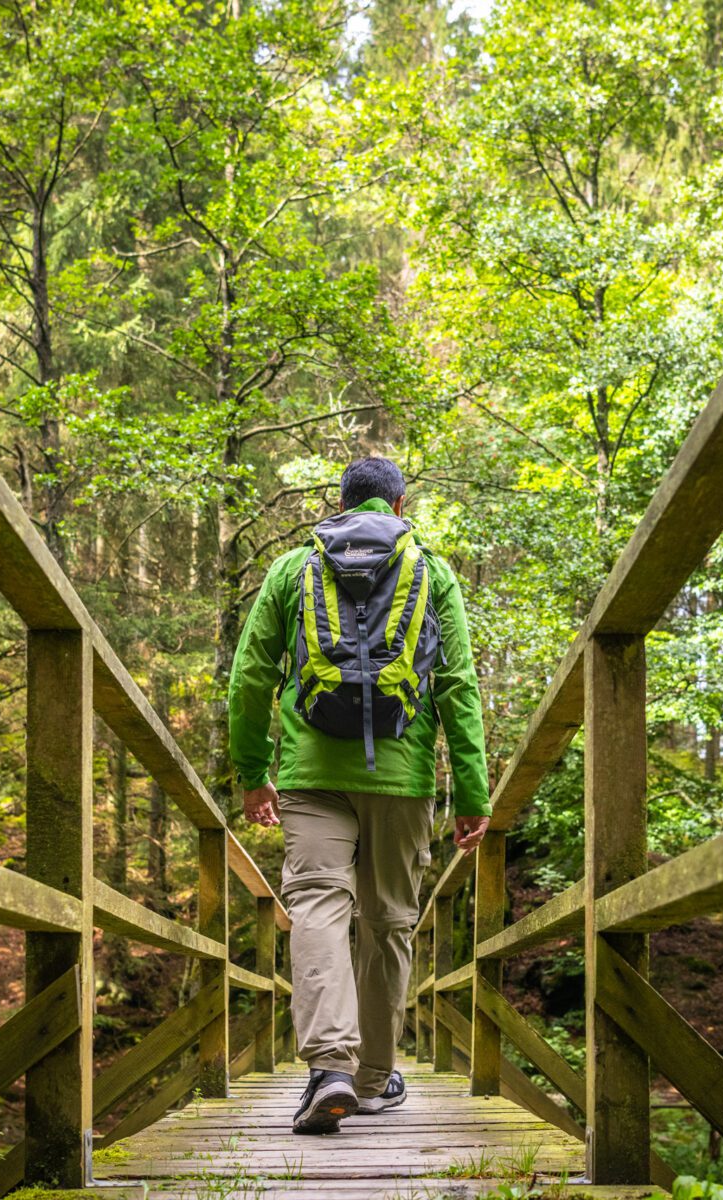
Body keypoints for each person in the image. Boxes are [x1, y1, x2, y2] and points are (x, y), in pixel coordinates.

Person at [228, 455, 490, 1135]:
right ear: (399, 507)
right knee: (390, 921)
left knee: (316, 904)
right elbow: (457, 685)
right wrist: (471, 792)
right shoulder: (432, 570)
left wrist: (253, 772)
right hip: (403, 779)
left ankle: (329, 1068)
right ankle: (373, 1079)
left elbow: (251, 678)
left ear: (341, 505)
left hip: (311, 772)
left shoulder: (294, 568)